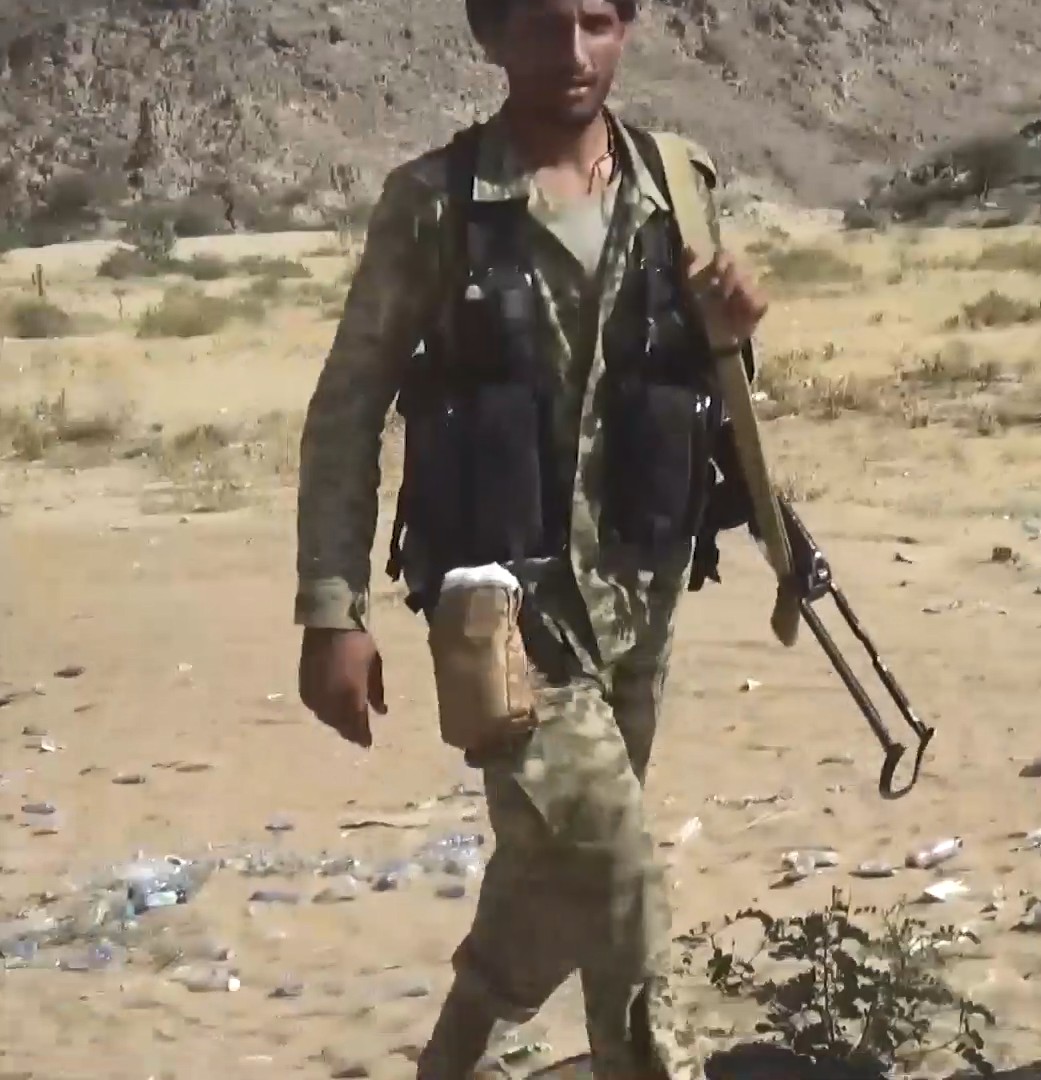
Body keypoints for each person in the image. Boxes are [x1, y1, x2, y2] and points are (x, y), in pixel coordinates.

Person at [292, 1, 767, 1076]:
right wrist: (332, 610)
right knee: (621, 877)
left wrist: (733, 333)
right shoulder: (437, 204)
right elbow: (349, 407)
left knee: (555, 878)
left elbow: (701, 380)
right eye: (545, 26)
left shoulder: (675, 182)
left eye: (597, 21)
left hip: (638, 599)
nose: (573, 54)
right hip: (499, 618)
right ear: (491, 36)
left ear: (629, 26)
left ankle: (451, 1060)